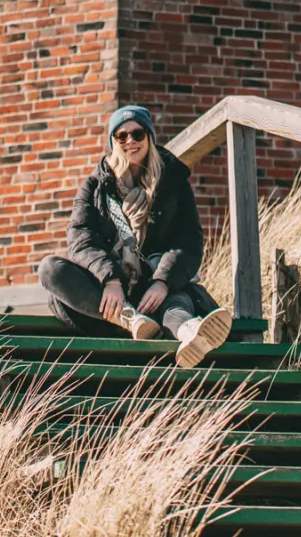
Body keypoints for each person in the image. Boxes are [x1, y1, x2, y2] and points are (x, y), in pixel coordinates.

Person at [38, 104, 233, 369]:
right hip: (111, 295)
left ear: (149, 137)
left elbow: (188, 241)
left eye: (138, 134)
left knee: (174, 302)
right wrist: (111, 279)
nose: (130, 141)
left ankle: (191, 334)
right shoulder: (96, 186)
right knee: (50, 269)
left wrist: (163, 281)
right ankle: (131, 320)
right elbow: (80, 238)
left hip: (156, 283)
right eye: (122, 136)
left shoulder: (173, 180)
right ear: (114, 142)